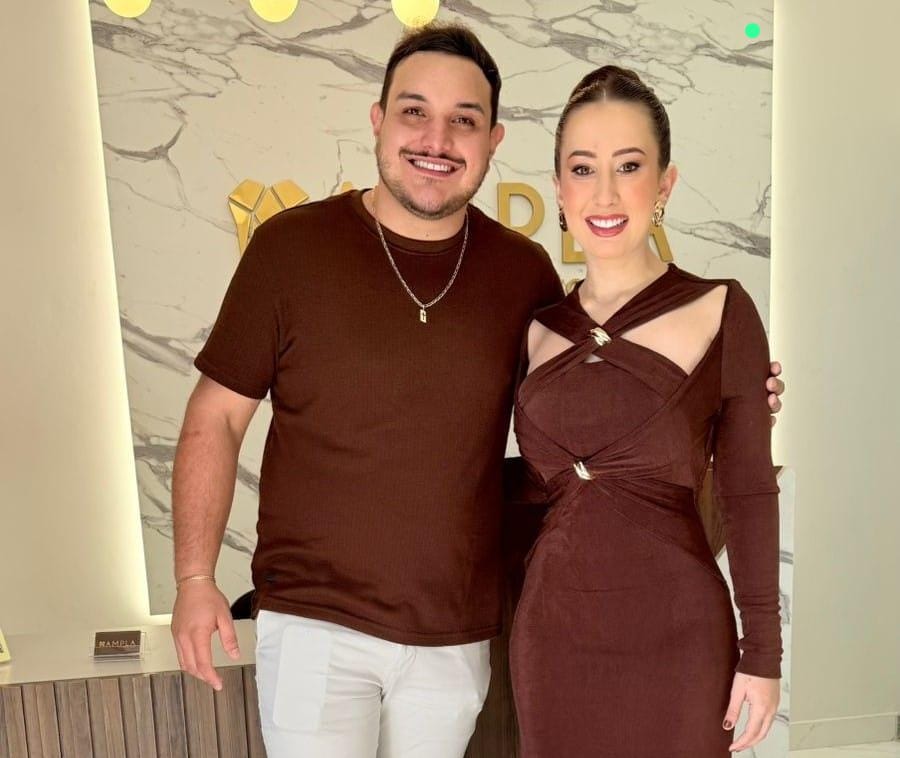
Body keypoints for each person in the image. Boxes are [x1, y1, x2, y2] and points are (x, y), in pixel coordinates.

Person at [170, 24, 785, 758]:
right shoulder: (292, 248)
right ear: (378, 120)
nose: (436, 139)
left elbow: (573, 447)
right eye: (414, 112)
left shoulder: (522, 276)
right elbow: (216, 416)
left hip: (458, 636)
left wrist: (730, 395)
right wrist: (195, 575)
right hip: (317, 622)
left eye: (463, 120)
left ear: (492, 142)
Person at [509, 65, 782, 757]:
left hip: (680, 638)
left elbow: (749, 492)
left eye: (628, 166)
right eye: (583, 168)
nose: (604, 193)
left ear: (664, 184)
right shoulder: (534, 329)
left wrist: (763, 652)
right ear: (559, 188)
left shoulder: (722, 308)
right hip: (552, 641)